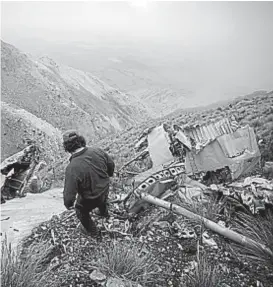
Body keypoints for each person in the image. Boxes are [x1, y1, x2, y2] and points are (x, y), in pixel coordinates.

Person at [62, 130, 115, 237]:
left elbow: (69, 194)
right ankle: (104, 213)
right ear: (81, 140)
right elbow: (111, 165)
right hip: (105, 188)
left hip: (90, 198)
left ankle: (94, 233)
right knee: (102, 198)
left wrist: (68, 205)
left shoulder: (72, 168)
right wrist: (107, 175)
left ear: (67, 147)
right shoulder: (98, 151)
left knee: (80, 210)